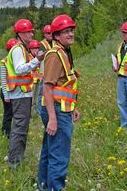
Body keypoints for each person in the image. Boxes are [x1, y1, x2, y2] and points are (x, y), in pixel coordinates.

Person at [37, 14, 80, 191]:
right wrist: (53, 119)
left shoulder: (63, 53)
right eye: (65, 32)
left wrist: (74, 107)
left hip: (62, 108)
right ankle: (53, 188)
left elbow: (64, 84)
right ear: (56, 36)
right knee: (59, 156)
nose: (70, 34)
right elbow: (47, 88)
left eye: (71, 30)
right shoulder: (55, 55)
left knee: (49, 151)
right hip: (56, 110)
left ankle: (43, 186)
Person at [5, 19, 44, 169]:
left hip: (22, 94)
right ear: (20, 33)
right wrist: (36, 60)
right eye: (28, 31)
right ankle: (14, 162)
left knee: (21, 126)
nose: (32, 34)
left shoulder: (22, 48)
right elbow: (20, 69)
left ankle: (17, 157)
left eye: (32, 31)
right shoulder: (17, 49)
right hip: (19, 95)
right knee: (20, 127)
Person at [0, 38, 17, 138]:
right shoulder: (4, 62)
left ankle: (8, 131)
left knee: (12, 113)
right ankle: (6, 133)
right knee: (8, 113)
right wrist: (6, 95)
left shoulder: (16, 61)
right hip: (6, 92)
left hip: (13, 91)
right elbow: (3, 79)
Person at [29, 40, 43, 114]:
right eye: (34, 48)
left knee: (37, 97)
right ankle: (29, 112)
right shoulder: (29, 56)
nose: (36, 50)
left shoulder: (39, 57)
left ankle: (36, 111)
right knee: (30, 98)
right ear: (30, 49)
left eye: (37, 48)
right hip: (30, 81)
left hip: (38, 80)